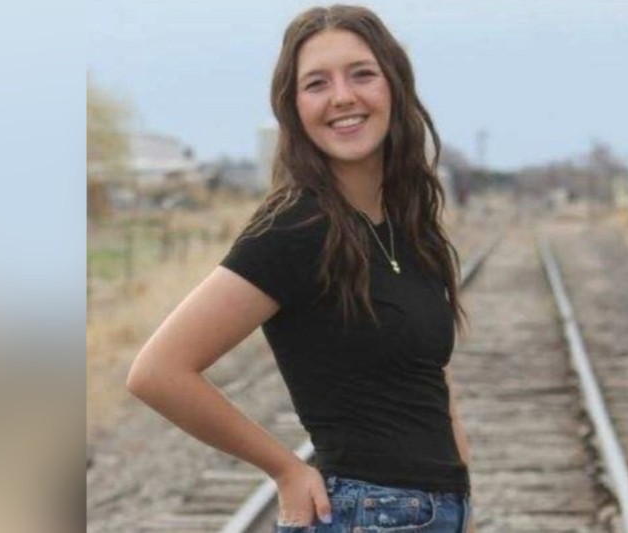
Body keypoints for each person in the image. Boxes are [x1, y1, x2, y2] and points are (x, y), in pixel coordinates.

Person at [127, 5, 475, 532]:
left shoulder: (409, 226)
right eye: (317, 83)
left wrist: (464, 504)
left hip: (435, 513)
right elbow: (158, 372)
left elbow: (432, 384)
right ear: (294, 109)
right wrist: (285, 468)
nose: (343, 97)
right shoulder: (295, 229)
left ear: (394, 86)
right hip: (362, 515)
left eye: (362, 74)